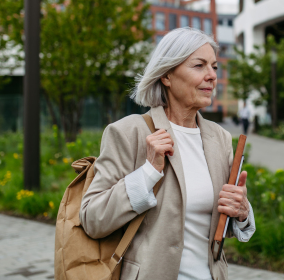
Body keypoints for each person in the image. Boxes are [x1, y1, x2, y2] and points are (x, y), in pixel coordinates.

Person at [80, 28, 255, 280]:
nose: (211, 76)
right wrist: (149, 172)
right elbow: (93, 219)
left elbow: (218, 227)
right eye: (199, 65)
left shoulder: (220, 139)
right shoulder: (128, 133)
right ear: (167, 76)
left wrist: (241, 212)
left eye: (214, 67)